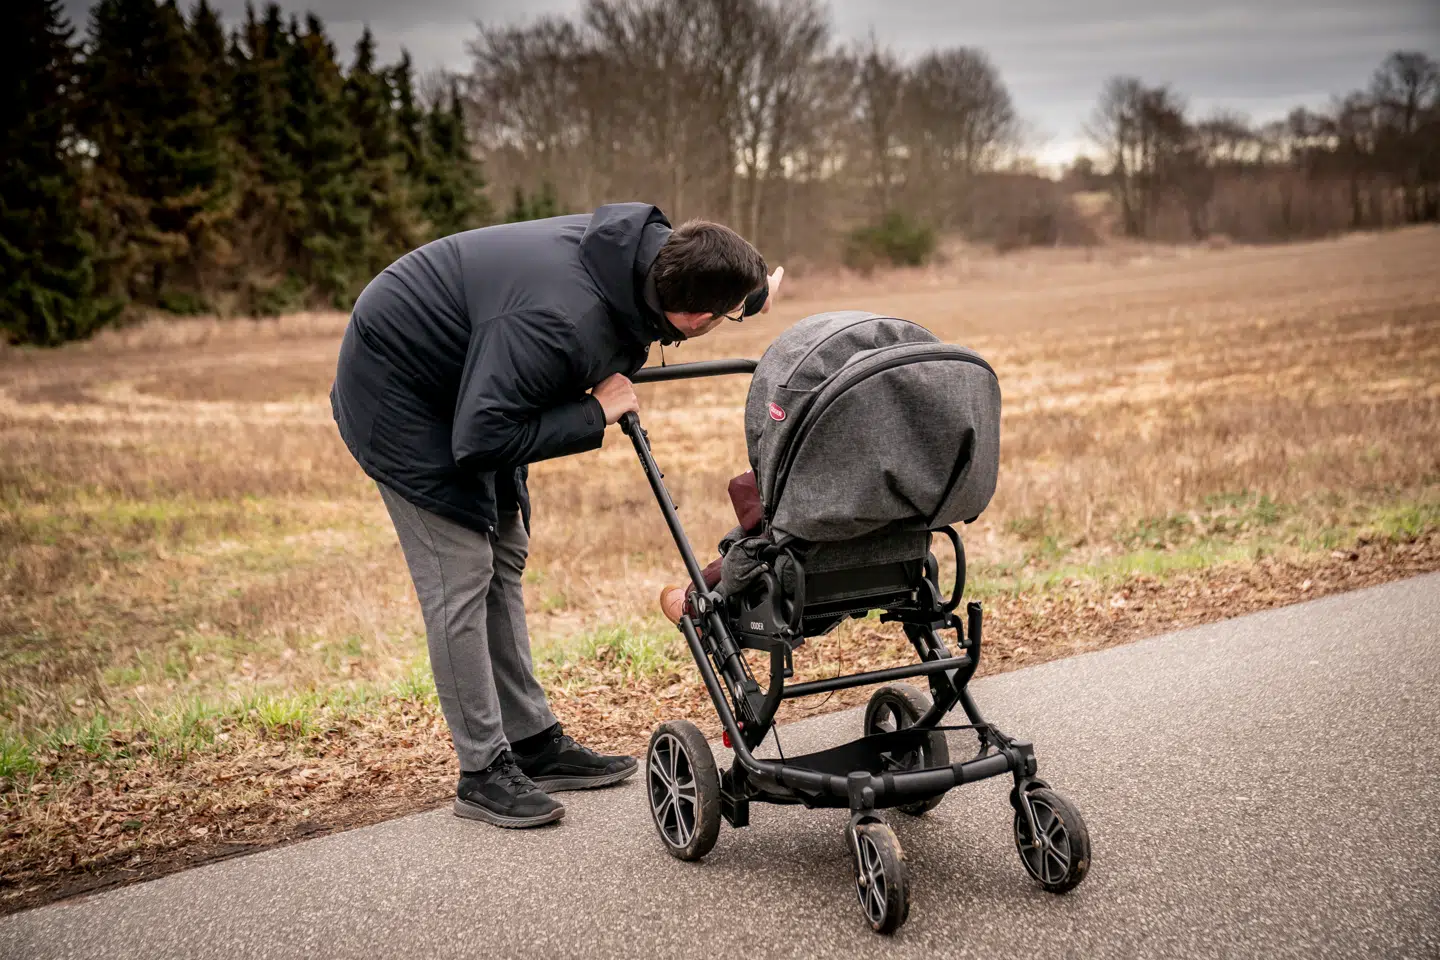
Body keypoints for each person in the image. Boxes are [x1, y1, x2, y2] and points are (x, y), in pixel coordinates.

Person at [331, 203, 782, 828]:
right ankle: (482, 772)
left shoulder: (654, 256)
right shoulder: (559, 320)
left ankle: (533, 742)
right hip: (402, 393)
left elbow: (707, 289)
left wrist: (755, 295)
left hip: (476, 374)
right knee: (461, 573)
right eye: (725, 316)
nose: (723, 322)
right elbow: (479, 438)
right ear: (694, 313)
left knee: (506, 552)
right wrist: (596, 414)